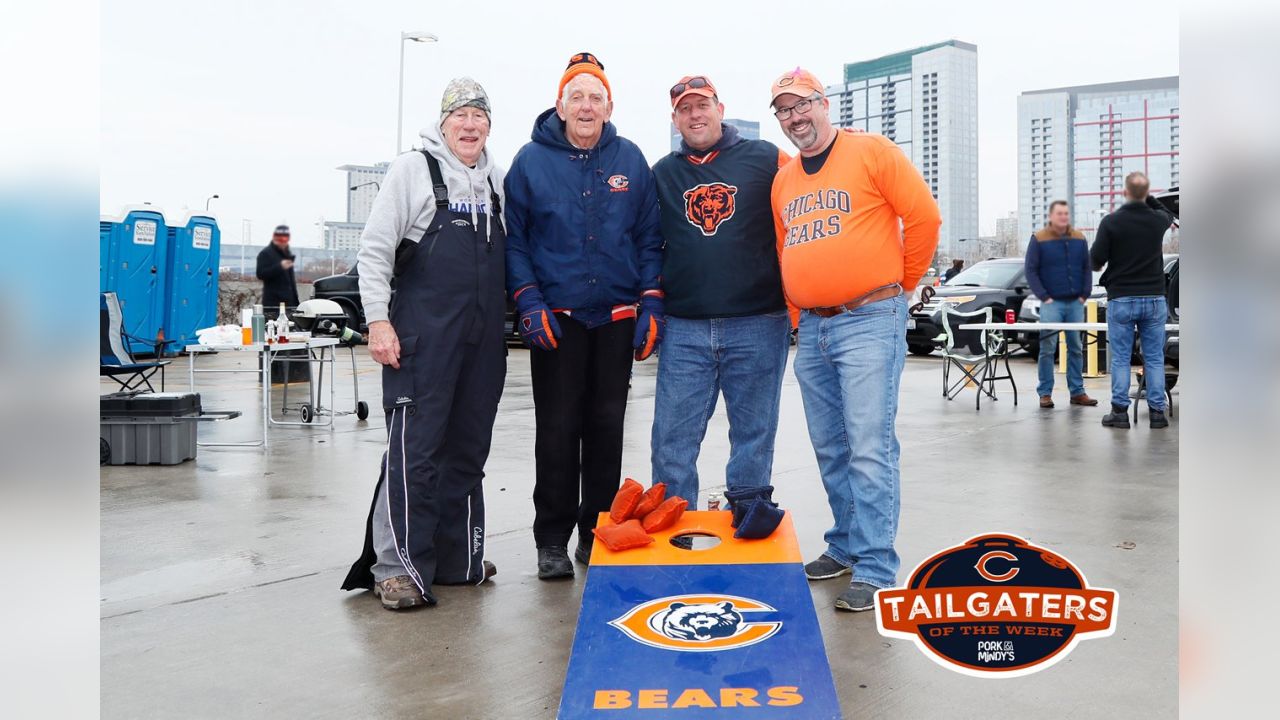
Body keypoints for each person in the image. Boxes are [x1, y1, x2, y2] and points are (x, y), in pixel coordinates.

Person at [769, 68, 940, 612]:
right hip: (814, 326)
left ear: (825, 103)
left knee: (869, 445)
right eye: (784, 110)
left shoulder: (872, 152)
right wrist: (798, 316)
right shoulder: (785, 180)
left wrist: (902, 287)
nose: (796, 117)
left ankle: (875, 564)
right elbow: (784, 250)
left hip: (869, 316)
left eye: (804, 105)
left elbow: (924, 217)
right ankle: (844, 544)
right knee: (830, 446)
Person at [341, 77, 506, 610]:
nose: (470, 124)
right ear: (443, 123)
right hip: (421, 339)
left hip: (481, 344)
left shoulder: (497, 181)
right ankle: (396, 568)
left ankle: (456, 560)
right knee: (414, 452)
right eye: (460, 115)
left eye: (479, 116)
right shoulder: (413, 170)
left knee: (467, 450)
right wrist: (377, 322)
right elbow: (375, 251)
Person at [504, 52, 663, 579]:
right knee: (556, 431)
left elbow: (648, 238)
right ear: (560, 104)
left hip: (615, 319)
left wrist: (652, 302)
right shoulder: (530, 161)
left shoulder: (630, 159)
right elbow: (517, 242)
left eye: (596, 97)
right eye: (578, 96)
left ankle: (596, 532)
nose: (587, 106)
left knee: (605, 428)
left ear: (609, 105)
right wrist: (529, 301)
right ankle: (551, 538)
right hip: (557, 321)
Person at [649, 75, 791, 507]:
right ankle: (674, 532)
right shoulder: (662, 174)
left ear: (720, 108)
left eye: (702, 105)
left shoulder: (767, 158)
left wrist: (844, 144)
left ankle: (747, 522)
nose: (695, 115)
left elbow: (814, 177)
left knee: (753, 437)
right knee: (671, 440)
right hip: (684, 329)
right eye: (685, 109)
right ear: (675, 119)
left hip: (758, 323)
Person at [1090, 171, 1174, 429]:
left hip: (1122, 298)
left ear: (1125, 193)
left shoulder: (1111, 222)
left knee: (1121, 359)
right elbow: (1168, 213)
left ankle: (1119, 413)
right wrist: (1148, 198)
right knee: (1154, 358)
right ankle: (1158, 414)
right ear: (1145, 194)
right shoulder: (1157, 220)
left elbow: (1095, 262)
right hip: (1154, 299)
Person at [1024, 200, 1098, 408]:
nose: (1063, 217)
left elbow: (1086, 267)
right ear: (1051, 216)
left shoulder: (1079, 238)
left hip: (1075, 302)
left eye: (1066, 213)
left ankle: (1077, 392)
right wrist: (1044, 296)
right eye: (1059, 213)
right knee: (1047, 349)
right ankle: (1045, 393)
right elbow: (1031, 270)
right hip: (1051, 303)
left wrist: (1085, 294)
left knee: (1075, 347)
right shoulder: (1039, 239)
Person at [255, 225, 300, 308]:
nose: (283, 242)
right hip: (274, 303)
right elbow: (260, 274)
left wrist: (296, 302)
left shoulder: (286, 254)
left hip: (290, 303)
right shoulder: (266, 253)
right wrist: (280, 267)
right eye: (280, 239)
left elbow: (291, 282)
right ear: (274, 238)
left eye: (285, 240)